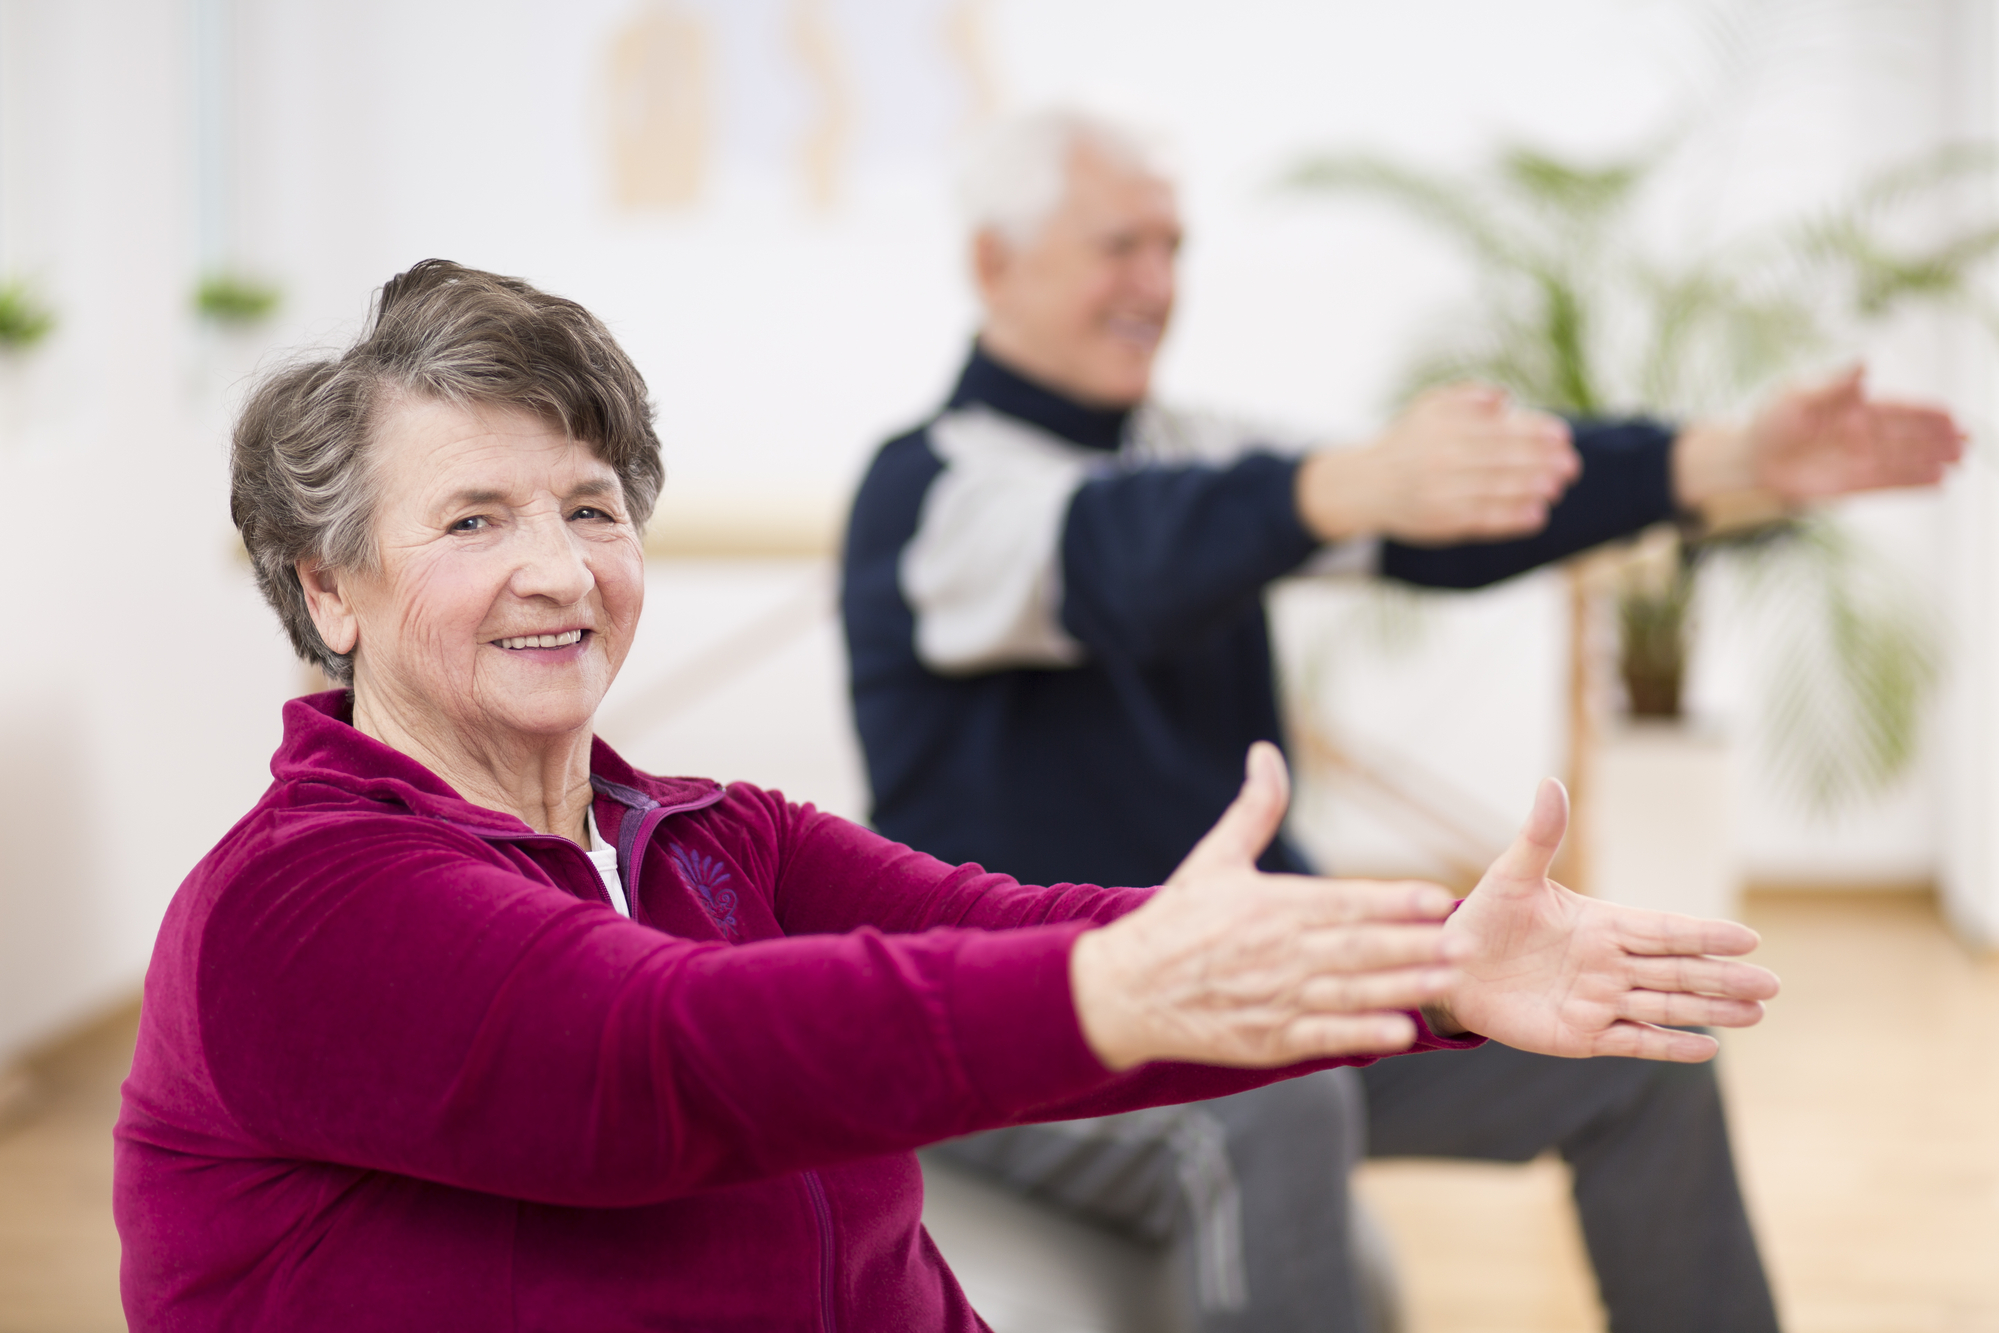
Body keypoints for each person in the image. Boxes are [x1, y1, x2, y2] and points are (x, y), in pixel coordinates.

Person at [112, 260, 1778, 1333]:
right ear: (328, 587)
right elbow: (666, 1056)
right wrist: (1106, 991)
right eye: (472, 519)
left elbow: (1009, 921)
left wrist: (1434, 972)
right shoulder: (296, 901)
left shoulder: (701, 836)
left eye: (589, 504)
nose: (556, 567)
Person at [841, 110, 1962, 1333]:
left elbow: (1467, 510)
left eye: (1173, 247)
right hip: (1045, 1020)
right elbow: (1121, 556)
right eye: (1119, 246)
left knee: (1643, 1045)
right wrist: (1341, 487)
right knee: (1276, 1102)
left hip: (1265, 993)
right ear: (995, 264)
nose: (1157, 285)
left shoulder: (1206, 455)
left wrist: (1727, 457)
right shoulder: (928, 494)